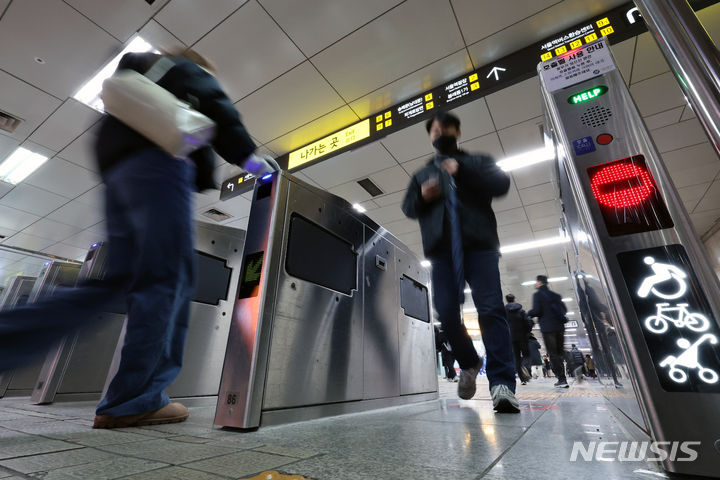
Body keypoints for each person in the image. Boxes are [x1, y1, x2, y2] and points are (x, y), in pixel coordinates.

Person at [0, 48, 277, 429]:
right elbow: (218, 107)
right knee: (168, 282)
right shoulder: (188, 70)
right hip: (161, 166)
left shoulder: (138, 74)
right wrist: (249, 157)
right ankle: (136, 399)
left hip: (121, 173)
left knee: (114, 284)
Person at [402, 111, 519, 413]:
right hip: (441, 253)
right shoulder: (421, 174)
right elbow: (408, 208)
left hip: (480, 247)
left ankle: (502, 384)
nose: (440, 132)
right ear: (430, 137)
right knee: (446, 314)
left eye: (446, 127)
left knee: (491, 310)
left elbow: (501, 184)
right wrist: (423, 197)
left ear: (457, 131)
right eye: (435, 129)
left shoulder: (477, 161)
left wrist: (462, 172)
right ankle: (469, 362)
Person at [528, 275, 569, 388]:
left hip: (548, 328)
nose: (535, 284)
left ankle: (562, 379)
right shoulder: (556, 295)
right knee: (559, 352)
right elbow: (564, 310)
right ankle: (570, 367)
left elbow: (537, 310)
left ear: (540, 283)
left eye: (536, 282)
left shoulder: (537, 295)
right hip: (560, 327)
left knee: (553, 354)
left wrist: (528, 313)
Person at [504, 294, 531, 385]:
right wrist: (527, 331)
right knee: (526, 355)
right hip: (522, 337)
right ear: (514, 300)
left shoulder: (504, 312)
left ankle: (522, 379)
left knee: (516, 358)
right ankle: (526, 368)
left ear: (507, 301)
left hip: (511, 338)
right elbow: (528, 322)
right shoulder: (521, 311)